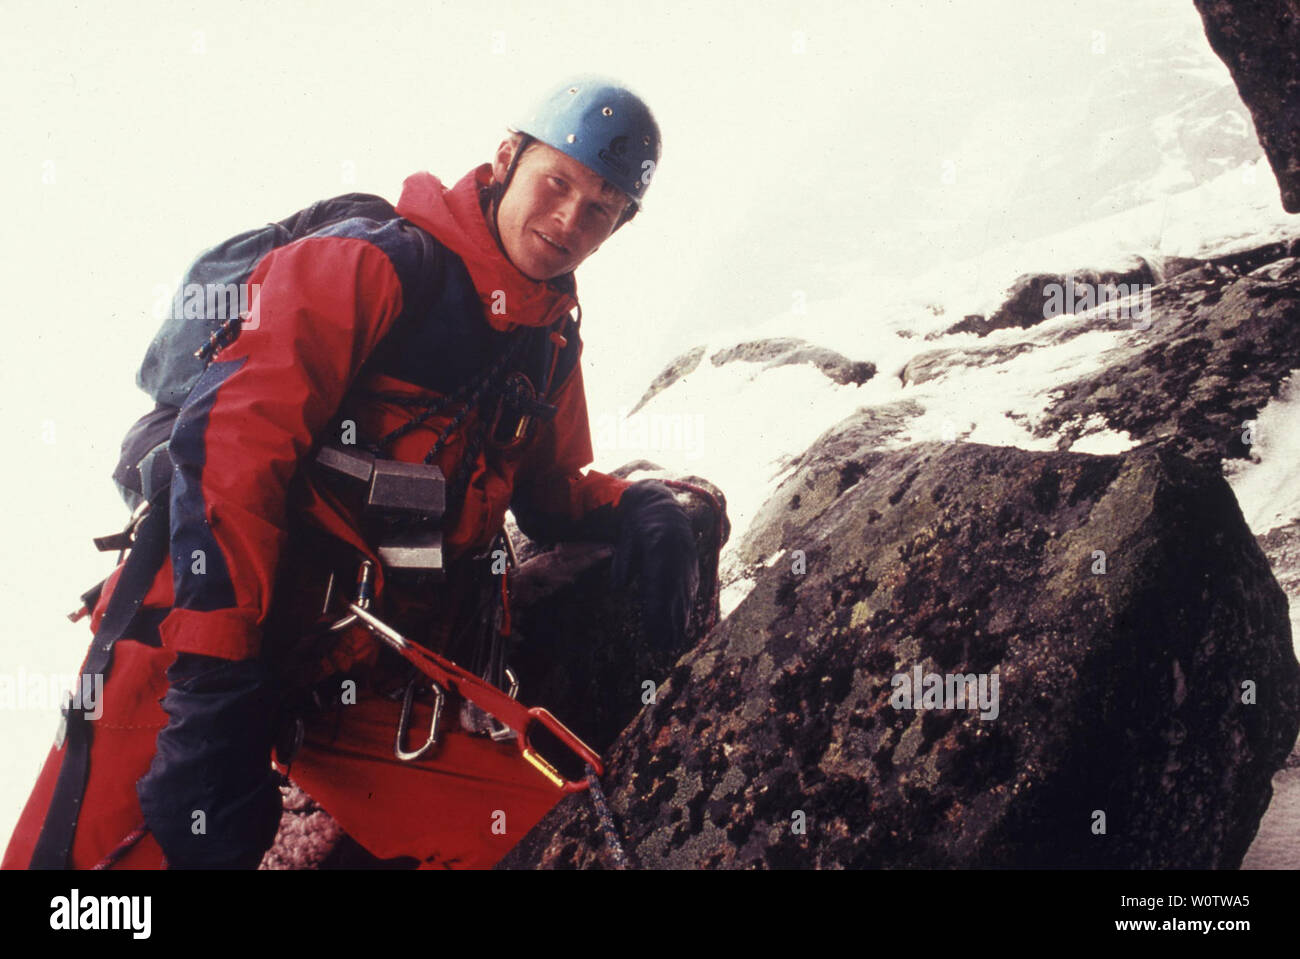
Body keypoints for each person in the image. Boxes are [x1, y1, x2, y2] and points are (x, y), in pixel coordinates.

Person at [3, 75, 702, 870]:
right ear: (508, 157)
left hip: (367, 666)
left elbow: (545, 492)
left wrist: (636, 504)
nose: (570, 219)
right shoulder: (375, 265)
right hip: (193, 636)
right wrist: (211, 691)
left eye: (603, 207)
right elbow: (231, 447)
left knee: (538, 826)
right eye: (558, 181)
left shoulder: (545, 348)